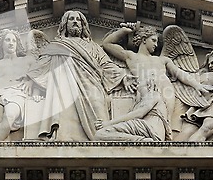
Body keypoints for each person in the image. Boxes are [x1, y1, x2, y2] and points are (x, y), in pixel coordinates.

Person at [23, 10, 138, 141]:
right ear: (65, 24)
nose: (75, 22)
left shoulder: (93, 46)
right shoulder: (56, 45)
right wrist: (30, 80)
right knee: (64, 115)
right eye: (71, 19)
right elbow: (42, 64)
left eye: (78, 20)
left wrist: (123, 76)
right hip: (64, 87)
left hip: (92, 85)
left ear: (83, 25)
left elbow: (105, 64)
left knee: (99, 114)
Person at [101, 23, 213, 141]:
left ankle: (163, 138)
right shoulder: (131, 56)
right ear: (144, 39)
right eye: (153, 40)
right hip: (146, 90)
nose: (156, 44)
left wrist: (197, 85)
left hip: (166, 91)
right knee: (143, 117)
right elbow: (107, 44)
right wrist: (124, 31)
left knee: (164, 121)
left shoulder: (162, 59)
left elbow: (180, 73)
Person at [0, 30, 38, 141]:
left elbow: (40, 74)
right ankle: (1, 150)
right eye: (7, 40)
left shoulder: (27, 60)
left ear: (17, 44)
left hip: (17, 91)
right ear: (2, 44)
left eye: (14, 40)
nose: (11, 43)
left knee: (9, 116)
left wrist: (31, 82)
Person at [94, 78, 166, 141]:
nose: (138, 80)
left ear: (149, 85)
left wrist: (108, 123)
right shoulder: (139, 102)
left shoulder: (153, 95)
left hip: (152, 129)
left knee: (101, 134)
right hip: (142, 128)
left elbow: (139, 113)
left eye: (141, 80)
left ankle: (141, 141)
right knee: (100, 135)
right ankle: (141, 140)